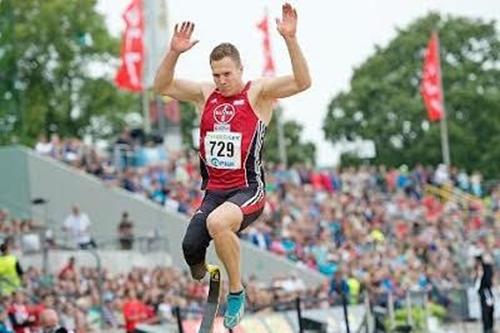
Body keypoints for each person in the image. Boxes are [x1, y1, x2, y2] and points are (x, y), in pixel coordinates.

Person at [153, 3, 310, 329]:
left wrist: (290, 39)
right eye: (216, 75)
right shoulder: (204, 93)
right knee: (190, 247)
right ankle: (206, 272)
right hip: (214, 191)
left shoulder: (260, 93)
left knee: (218, 223)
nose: (222, 80)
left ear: (240, 69)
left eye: (227, 74)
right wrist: (173, 52)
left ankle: (236, 291)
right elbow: (162, 86)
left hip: (248, 190)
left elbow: (302, 82)